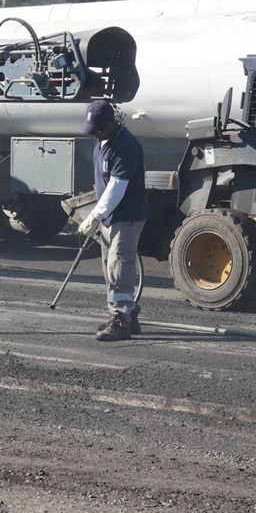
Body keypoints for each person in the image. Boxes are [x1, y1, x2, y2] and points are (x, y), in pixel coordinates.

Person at [77, 99, 149, 342]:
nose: (95, 135)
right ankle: (126, 314)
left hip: (126, 216)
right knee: (110, 265)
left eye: (99, 130)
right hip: (110, 216)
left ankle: (121, 320)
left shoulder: (125, 146)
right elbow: (103, 179)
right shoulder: (102, 140)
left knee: (119, 267)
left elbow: (117, 188)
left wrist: (94, 216)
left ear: (111, 123)